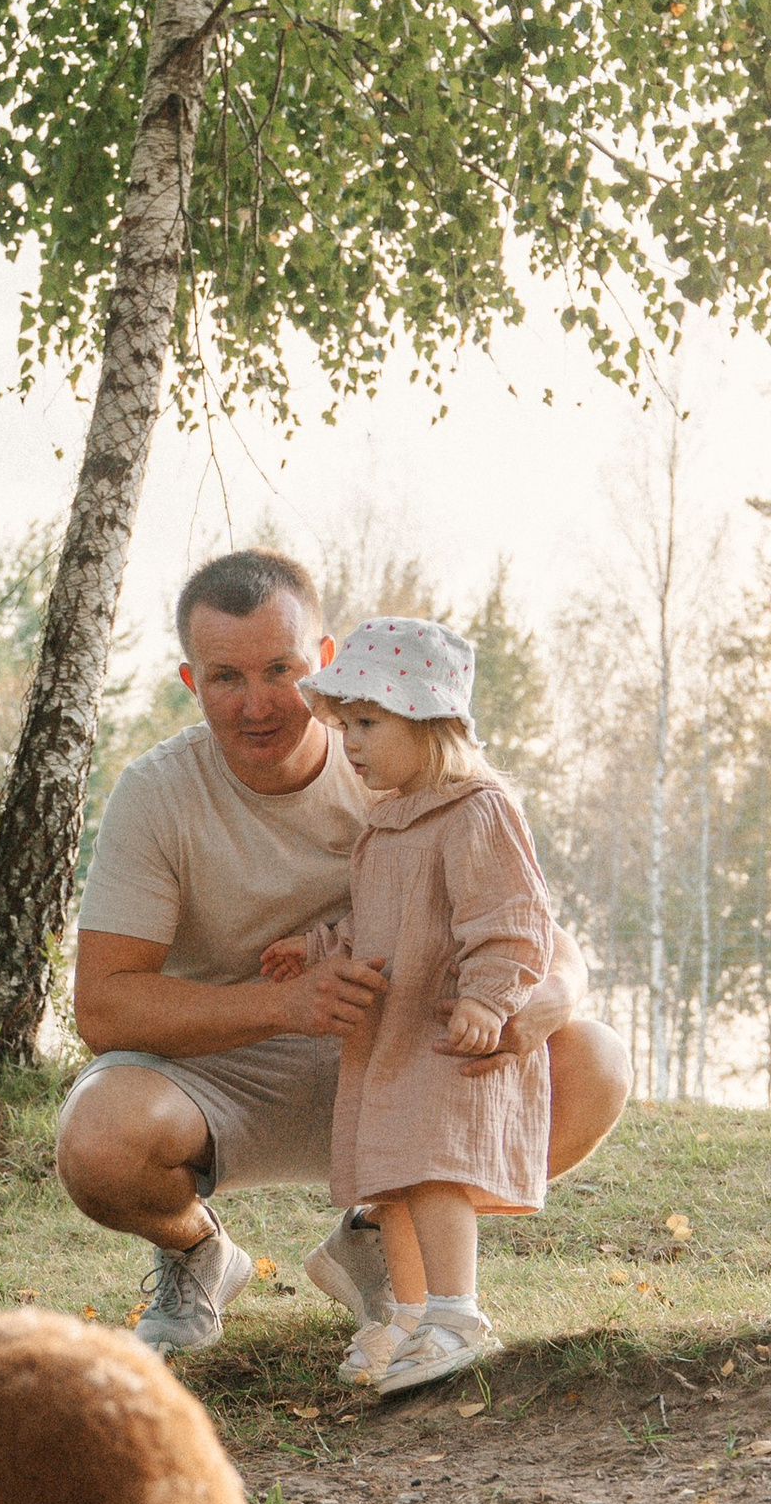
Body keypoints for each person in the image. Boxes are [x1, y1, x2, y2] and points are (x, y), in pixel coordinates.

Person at [56, 548, 627, 1354]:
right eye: (225, 678)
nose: (257, 704)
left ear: (325, 662)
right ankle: (197, 1253)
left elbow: (525, 919)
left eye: (280, 670)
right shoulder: (156, 793)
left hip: (399, 1058)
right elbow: (104, 1005)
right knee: (98, 1139)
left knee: (594, 1062)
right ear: (192, 682)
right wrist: (283, 1004)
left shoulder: (402, 758)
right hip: (222, 1076)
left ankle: (380, 1240)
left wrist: (554, 994)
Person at [261, 614, 556, 1396]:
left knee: (432, 1171)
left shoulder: (477, 811)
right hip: (386, 1040)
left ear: (427, 721)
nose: (349, 744)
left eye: (368, 724)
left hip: (443, 1033)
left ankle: (458, 1312)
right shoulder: (389, 822)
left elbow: (512, 919)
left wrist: (490, 999)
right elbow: (376, 924)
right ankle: (410, 1314)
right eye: (345, 725)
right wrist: (318, 946)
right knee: (388, 1178)